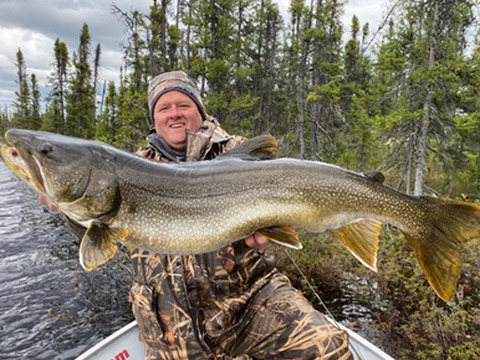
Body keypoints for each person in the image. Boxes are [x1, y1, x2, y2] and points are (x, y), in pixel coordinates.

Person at [42, 71, 353, 360]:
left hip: (248, 306)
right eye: (163, 107)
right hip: (168, 324)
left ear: (200, 111)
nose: (174, 113)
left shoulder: (236, 153)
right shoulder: (127, 168)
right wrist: (68, 210)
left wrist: (271, 229)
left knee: (331, 349)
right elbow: (102, 231)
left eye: (183, 104)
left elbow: (286, 199)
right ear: (154, 119)